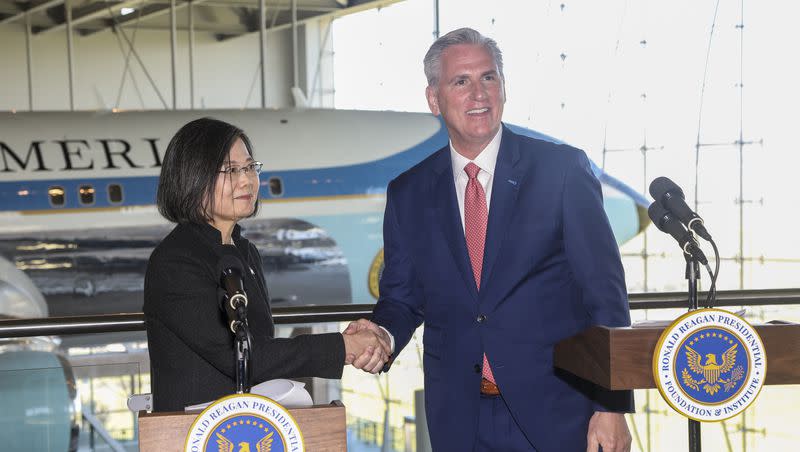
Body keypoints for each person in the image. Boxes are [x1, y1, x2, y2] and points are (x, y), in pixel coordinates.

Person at [344, 28, 634, 451]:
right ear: (433, 98)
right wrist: (383, 336)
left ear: (503, 87)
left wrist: (611, 408)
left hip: (557, 415)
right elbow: (403, 296)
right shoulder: (408, 192)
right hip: (460, 420)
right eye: (460, 81)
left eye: (489, 77)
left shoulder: (562, 171)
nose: (478, 93)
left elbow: (606, 298)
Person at [144, 117, 389, 412]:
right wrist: (344, 347)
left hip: (248, 424)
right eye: (231, 170)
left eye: (249, 167)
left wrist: (347, 344)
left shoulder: (244, 252)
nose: (247, 180)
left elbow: (259, 345)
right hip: (196, 432)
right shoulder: (176, 260)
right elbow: (241, 356)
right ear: (192, 177)